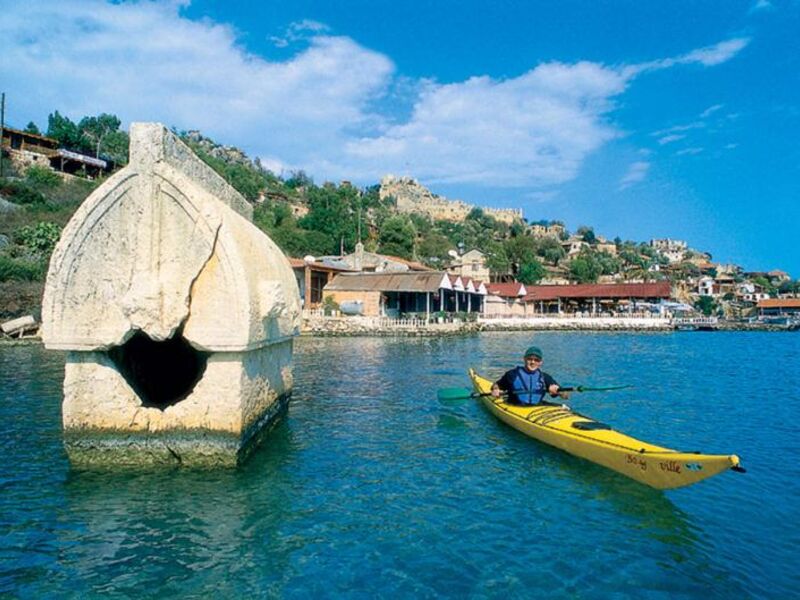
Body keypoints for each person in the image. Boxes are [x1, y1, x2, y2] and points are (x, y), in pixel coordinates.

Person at [491, 346, 569, 405]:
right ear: (524, 359)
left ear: (540, 362)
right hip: (515, 407)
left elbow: (566, 396)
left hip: (536, 408)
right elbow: (496, 385)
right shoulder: (512, 374)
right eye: (529, 359)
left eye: (536, 360)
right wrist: (495, 389)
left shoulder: (544, 377)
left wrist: (559, 391)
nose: (532, 362)